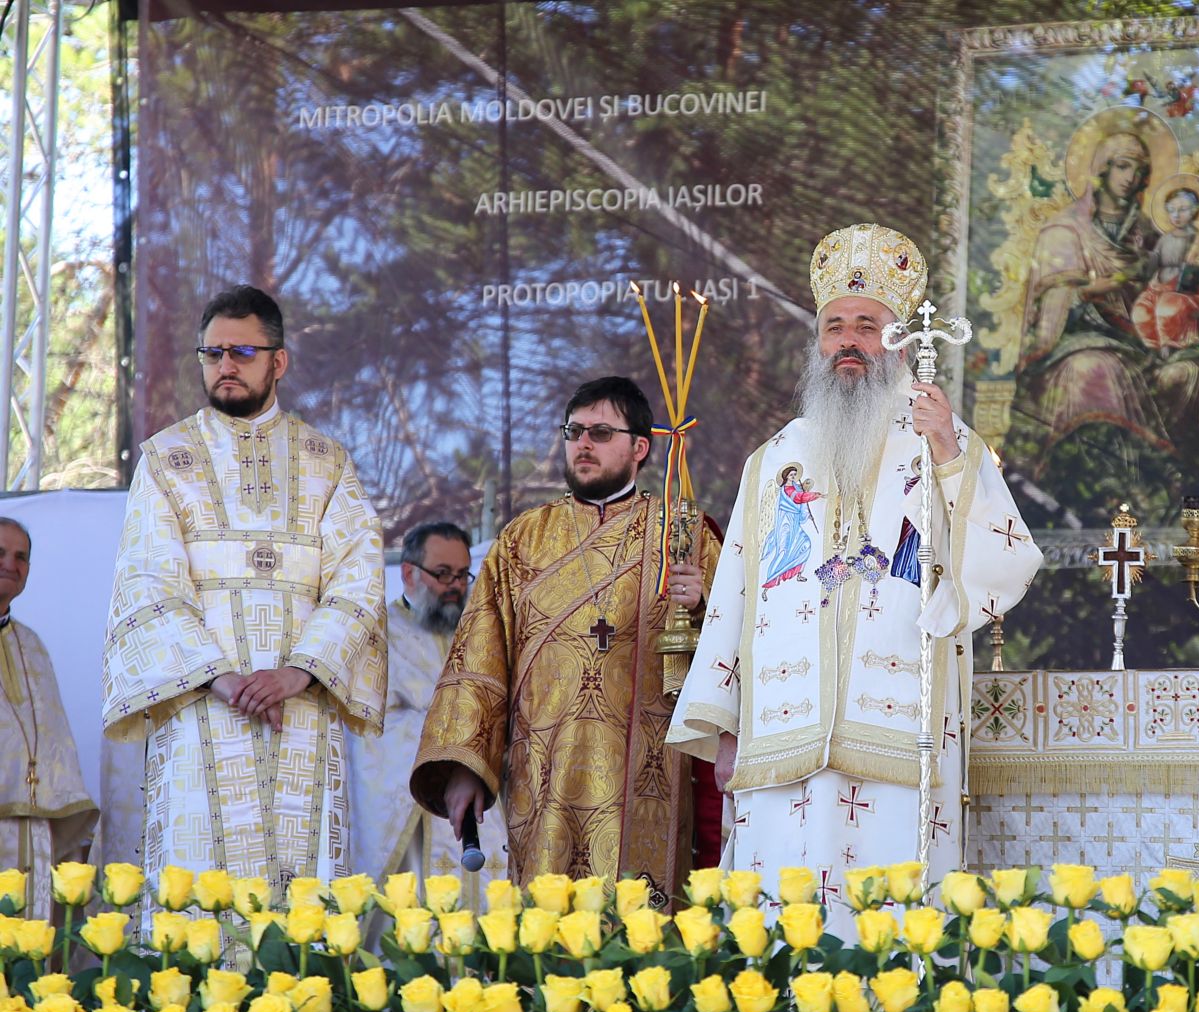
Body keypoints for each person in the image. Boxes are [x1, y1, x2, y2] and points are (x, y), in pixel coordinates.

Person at [667, 223, 1042, 914]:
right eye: (834, 326)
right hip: (784, 738)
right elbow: (735, 600)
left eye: (867, 325)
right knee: (782, 924)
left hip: (899, 735)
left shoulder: (942, 439)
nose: (848, 340)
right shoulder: (773, 459)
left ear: (897, 341)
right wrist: (725, 728)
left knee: (892, 924)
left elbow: (1008, 554)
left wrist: (951, 455)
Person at [102, 285, 386, 896]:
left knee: (302, 898)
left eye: (241, 352)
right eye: (212, 354)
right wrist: (224, 679)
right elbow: (147, 582)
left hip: (301, 714)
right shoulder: (166, 459)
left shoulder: (327, 462)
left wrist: (298, 673)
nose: (225, 367)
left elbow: (358, 583)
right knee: (199, 900)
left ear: (277, 361)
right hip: (203, 705)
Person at [411, 377, 721, 900]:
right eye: (574, 431)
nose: (583, 443)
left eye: (601, 432)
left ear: (639, 447)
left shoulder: (684, 534)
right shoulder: (521, 540)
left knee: (642, 937)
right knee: (550, 934)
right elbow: (479, 660)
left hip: (648, 780)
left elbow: (734, 649)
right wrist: (465, 767)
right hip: (542, 778)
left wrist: (704, 604)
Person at [348, 521, 509, 925]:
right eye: (442, 574)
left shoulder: (483, 637)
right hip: (416, 813)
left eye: (461, 575)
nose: (454, 586)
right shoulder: (377, 636)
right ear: (408, 573)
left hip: (482, 797)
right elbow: (367, 731)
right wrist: (449, 754)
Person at [1019, 128, 1199, 460]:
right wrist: (1092, 291)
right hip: (1075, 345)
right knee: (1094, 368)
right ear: (1102, 168)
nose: (1130, 177)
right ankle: (1097, 473)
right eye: (1122, 166)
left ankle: (1165, 471)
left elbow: (1164, 294)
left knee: (1188, 373)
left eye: (1139, 170)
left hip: (1138, 345)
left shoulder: (1148, 235)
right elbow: (1049, 310)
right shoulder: (1064, 230)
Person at [0, 518, 97, 919]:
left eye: (21, 557)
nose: (12, 564)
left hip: (34, 827)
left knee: (32, 955)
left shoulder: (32, 645)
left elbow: (53, 737)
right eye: (1, 553)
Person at [1131, 185, 1199, 356]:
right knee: (1140, 312)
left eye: (1182, 210)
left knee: (1166, 308)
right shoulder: (1165, 238)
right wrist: (1141, 252)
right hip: (1157, 289)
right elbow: (1154, 263)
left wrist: (1185, 279)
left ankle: (1168, 349)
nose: (1176, 215)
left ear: (1194, 210)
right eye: (1171, 210)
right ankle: (1153, 352)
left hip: (1185, 292)